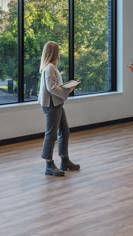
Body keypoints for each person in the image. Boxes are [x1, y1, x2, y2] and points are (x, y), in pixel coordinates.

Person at [38, 41, 80, 177]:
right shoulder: (49, 67)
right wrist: (67, 91)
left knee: (64, 131)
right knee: (51, 134)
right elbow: (51, 87)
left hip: (56, 104)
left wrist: (66, 88)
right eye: (58, 50)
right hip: (51, 105)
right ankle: (49, 165)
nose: (60, 53)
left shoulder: (51, 67)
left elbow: (53, 85)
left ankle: (65, 160)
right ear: (54, 52)